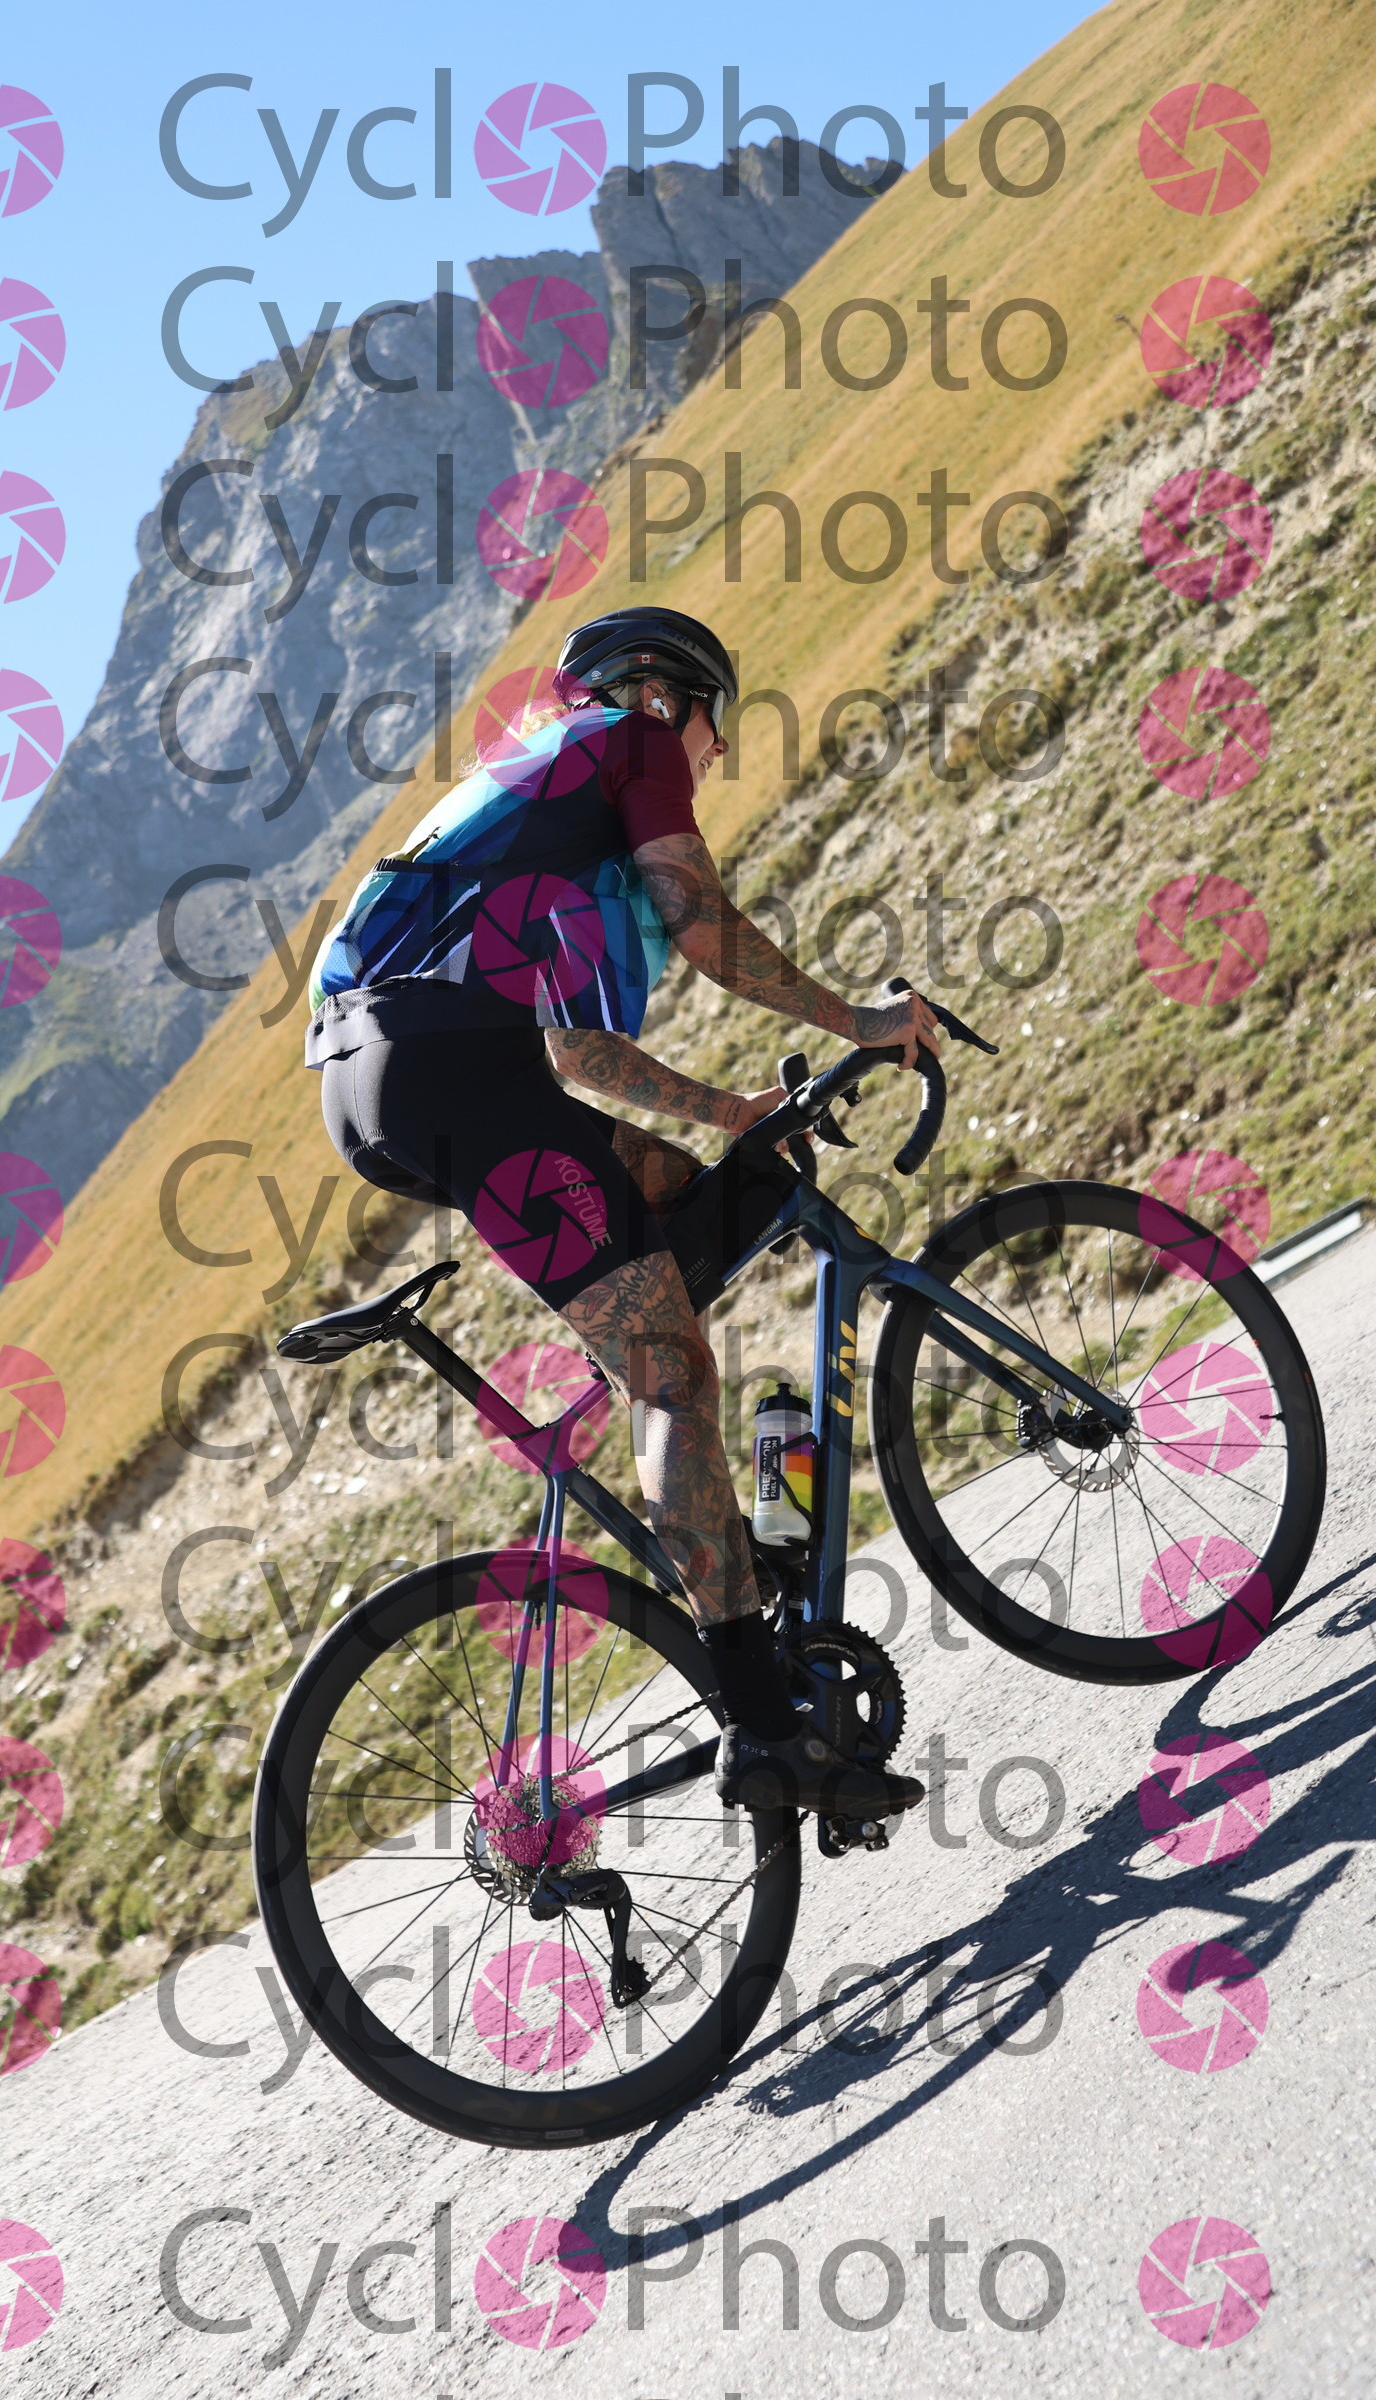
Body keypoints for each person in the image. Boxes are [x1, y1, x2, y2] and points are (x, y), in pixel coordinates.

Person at [307, 606, 937, 1819]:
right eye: (716, 720)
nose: (717, 750)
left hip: (386, 1083)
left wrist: (731, 1111)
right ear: (664, 694)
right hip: (455, 1075)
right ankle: (764, 1722)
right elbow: (701, 920)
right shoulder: (627, 741)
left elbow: (577, 1053)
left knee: (682, 1206)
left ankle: (752, 1541)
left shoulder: (535, 800)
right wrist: (856, 1022)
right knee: (668, 1373)